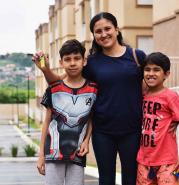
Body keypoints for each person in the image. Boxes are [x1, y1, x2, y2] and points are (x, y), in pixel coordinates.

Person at [33, 12, 146, 185]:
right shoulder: (91, 62)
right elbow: (59, 82)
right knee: (106, 180)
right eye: (98, 31)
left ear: (116, 29)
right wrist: (45, 69)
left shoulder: (137, 56)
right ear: (94, 35)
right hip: (103, 132)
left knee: (131, 179)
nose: (104, 34)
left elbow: (149, 88)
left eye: (107, 29)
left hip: (132, 131)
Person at [36, 39, 98, 185]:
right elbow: (46, 122)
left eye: (77, 58)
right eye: (67, 59)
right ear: (61, 62)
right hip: (53, 152)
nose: (72, 63)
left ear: (84, 61)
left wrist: (86, 141)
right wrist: (41, 155)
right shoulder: (53, 88)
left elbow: (90, 118)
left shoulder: (93, 89)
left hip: (77, 154)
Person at [136, 52, 179, 185]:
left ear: (166, 74)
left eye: (156, 70)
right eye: (147, 69)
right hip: (144, 160)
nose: (151, 73)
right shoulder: (143, 95)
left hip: (167, 162)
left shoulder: (170, 96)